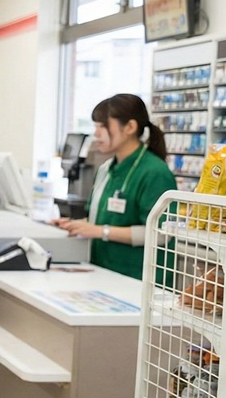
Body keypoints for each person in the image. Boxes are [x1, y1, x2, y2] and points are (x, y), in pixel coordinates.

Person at [54, 94, 176, 279]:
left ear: (130, 127)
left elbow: (161, 234)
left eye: (103, 126)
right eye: (95, 126)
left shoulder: (155, 172)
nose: (96, 134)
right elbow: (99, 220)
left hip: (138, 279)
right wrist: (75, 225)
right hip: (104, 272)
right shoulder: (106, 169)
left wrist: (100, 231)